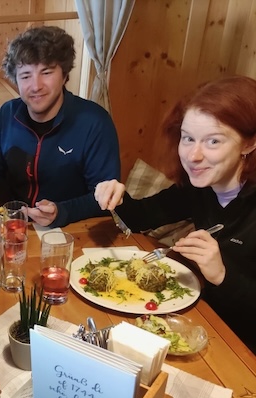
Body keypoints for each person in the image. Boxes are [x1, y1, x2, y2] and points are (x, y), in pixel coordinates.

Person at [94, 75, 256, 353]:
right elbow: (140, 218)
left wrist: (222, 275)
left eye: (213, 141)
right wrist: (115, 194)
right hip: (202, 324)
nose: (193, 155)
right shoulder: (200, 188)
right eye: (188, 138)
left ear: (249, 144)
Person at [0, 26, 121, 227]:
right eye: (25, 76)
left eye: (46, 72)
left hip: (74, 229)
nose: (36, 86)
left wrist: (61, 212)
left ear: (64, 75)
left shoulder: (95, 122)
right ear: (16, 80)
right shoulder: (7, 114)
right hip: (15, 228)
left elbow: (104, 198)